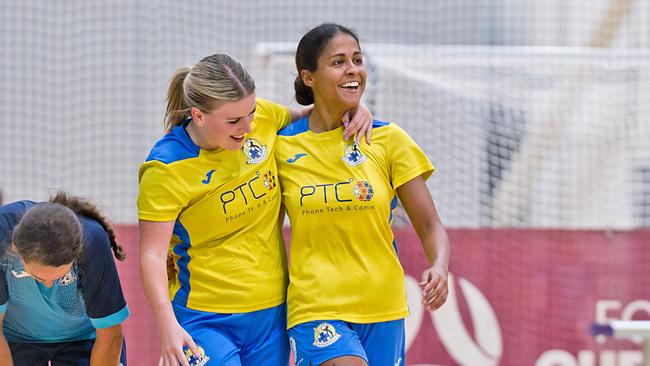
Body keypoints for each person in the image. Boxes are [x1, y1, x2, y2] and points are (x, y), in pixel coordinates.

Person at [137, 53, 372, 366]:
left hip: (270, 313)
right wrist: (168, 327)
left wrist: (355, 108)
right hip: (205, 317)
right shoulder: (166, 167)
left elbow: (315, 117)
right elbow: (151, 254)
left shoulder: (261, 117)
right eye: (234, 121)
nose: (247, 126)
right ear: (199, 115)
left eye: (250, 112)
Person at [275, 23, 451, 366]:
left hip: (383, 304)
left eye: (357, 59)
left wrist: (440, 266)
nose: (353, 69)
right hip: (315, 305)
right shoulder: (281, 145)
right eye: (338, 62)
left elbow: (430, 226)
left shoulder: (389, 140)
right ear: (308, 77)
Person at [0, 192, 129, 366]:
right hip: (14, 337)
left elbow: (109, 336)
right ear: (15, 248)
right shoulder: (2, 235)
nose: (48, 284)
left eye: (62, 277)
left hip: (84, 337)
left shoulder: (93, 241)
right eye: (37, 277)